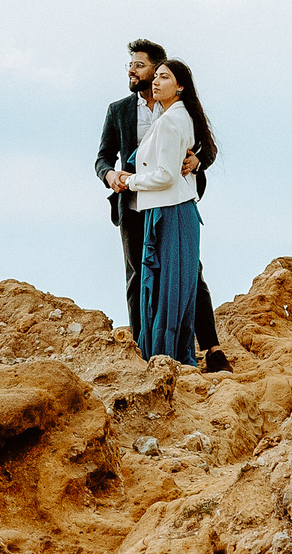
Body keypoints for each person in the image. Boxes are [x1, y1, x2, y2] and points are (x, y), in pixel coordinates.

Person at [95, 41, 226, 368]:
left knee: (190, 275)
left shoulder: (177, 109)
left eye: (139, 65)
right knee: (139, 276)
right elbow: (102, 158)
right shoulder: (119, 110)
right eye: (130, 65)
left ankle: (212, 349)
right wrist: (110, 175)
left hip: (170, 201)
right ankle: (144, 351)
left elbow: (207, 150)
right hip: (132, 204)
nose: (132, 70)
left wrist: (196, 162)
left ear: (158, 69)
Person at [125, 59, 216, 366]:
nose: (156, 82)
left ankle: (166, 358)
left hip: (171, 210)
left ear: (179, 86)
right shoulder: (178, 117)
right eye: (157, 77)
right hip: (172, 209)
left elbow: (166, 175)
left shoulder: (170, 121)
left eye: (165, 77)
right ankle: (170, 356)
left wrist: (131, 181)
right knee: (171, 288)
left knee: (169, 291)